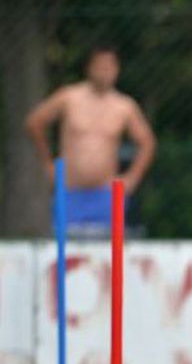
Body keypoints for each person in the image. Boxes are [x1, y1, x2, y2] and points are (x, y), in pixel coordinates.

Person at [25, 45, 156, 234]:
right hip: (70, 191)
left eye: (109, 66)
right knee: (66, 253)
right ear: (89, 67)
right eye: (100, 66)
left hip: (106, 194)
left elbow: (147, 142)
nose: (104, 72)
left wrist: (132, 178)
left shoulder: (124, 106)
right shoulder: (69, 97)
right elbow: (35, 123)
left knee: (107, 255)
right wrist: (48, 164)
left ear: (117, 69)